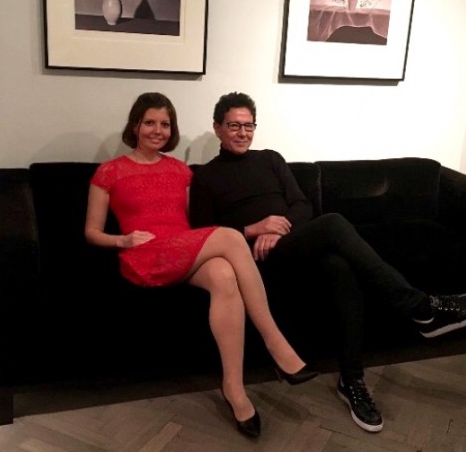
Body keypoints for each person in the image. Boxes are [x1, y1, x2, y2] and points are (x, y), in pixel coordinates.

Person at [188, 91, 466, 434]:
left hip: (290, 244)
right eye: (234, 126)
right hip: (253, 262)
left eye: (249, 125)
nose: (243, 133)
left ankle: (352, 379)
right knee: (333, 223)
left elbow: (302, 205)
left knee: (341, 268)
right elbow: (202, 232)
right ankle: (421, 308)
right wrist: (253, 230)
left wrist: (278, 229)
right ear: (218, 127)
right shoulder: (206, 177)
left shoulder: (270, 159)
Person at [84, 92, 318, 439]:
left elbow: (195, 223)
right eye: (150, 123)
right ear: (135, 126)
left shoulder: (181, 171)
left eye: (165, 124)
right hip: (145, 253)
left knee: (224, 274)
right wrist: (123, 240)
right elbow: (91, 233)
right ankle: (275, 342)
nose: (158, 130)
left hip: (184, 250)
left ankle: (234, 389)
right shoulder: (109, 172)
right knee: (231, 238)